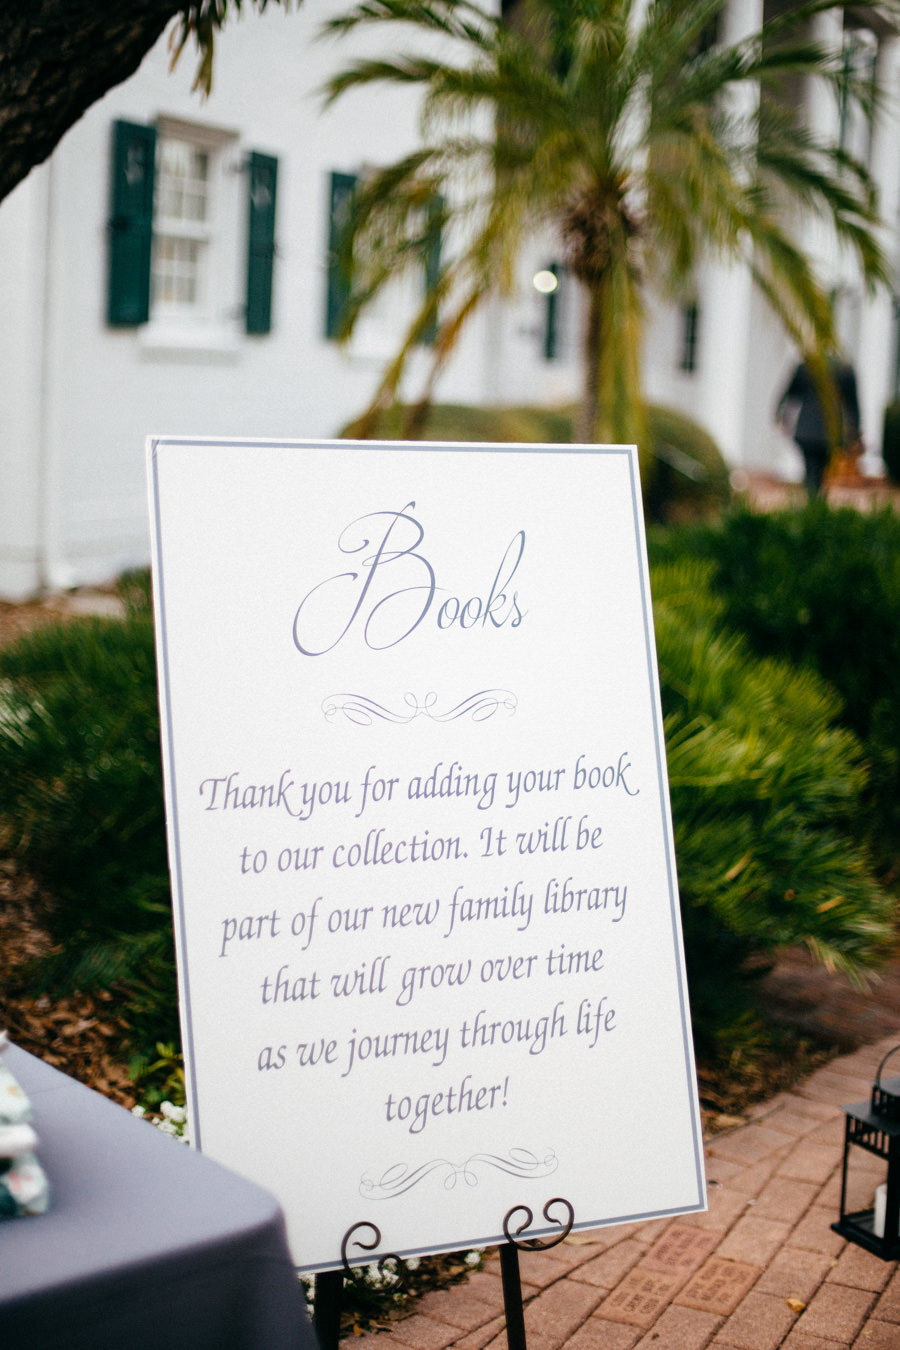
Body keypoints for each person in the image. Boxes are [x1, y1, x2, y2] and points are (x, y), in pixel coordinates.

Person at [776, 355, 861, 498]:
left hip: (808, 429)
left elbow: (789, 394)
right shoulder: (843, 368)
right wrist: (855, 429)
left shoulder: (807, 366)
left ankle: (813, 501)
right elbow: (853, 404)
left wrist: (780, 415)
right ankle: (814, 503)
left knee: (812, 470)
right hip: (829, 431)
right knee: (818, 471)